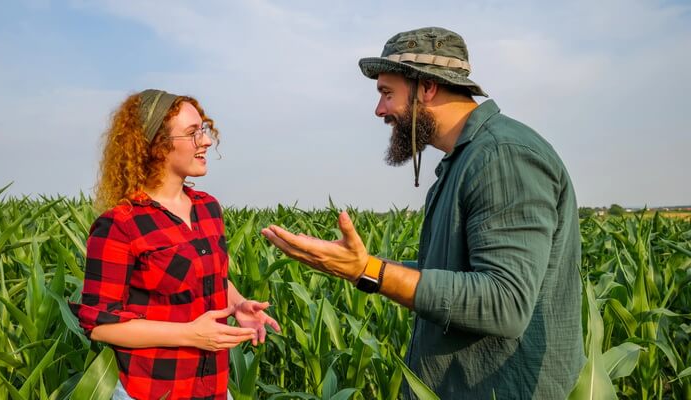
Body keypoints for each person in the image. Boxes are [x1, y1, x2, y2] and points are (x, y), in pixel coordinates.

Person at [261, 27, 584, 399]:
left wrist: (369, 271)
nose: (379, 110)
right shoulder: (466, 160)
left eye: (386, 93)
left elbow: (504, 302)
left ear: (427, 87)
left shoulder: (502, 156)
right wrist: (360, 266)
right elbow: (455, 274)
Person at [70, 89, 280, 400]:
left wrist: (237, 305)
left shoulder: (208, 208)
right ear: (157, 145)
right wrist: (190, 335)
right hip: (153, 390)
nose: (206, 141)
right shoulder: (120, 224)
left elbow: (211, 277)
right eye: (193, 133)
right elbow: (99, 324)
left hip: (214, 388)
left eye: (204, 130)